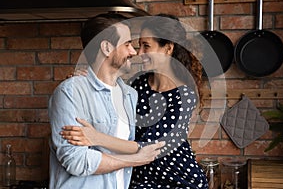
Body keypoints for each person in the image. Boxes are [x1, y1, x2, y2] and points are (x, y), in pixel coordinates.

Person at [61, 14, 208, 188]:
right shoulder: (138, 85)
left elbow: (152, 146)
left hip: (176, 179)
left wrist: (96, 138)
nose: (139, 53)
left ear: (168, 48)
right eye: (138, 46)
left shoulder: (185, 94)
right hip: (138, 175)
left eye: (146, 46)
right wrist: (83, 81)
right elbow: (110, 100)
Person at [48, 13, 165, 189]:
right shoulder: (71, 92)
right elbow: (76, 161)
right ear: (107, 48)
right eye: (127, 44)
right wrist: (134, 160)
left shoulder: (130, 95)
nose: (134, 52)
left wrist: (99, 139)